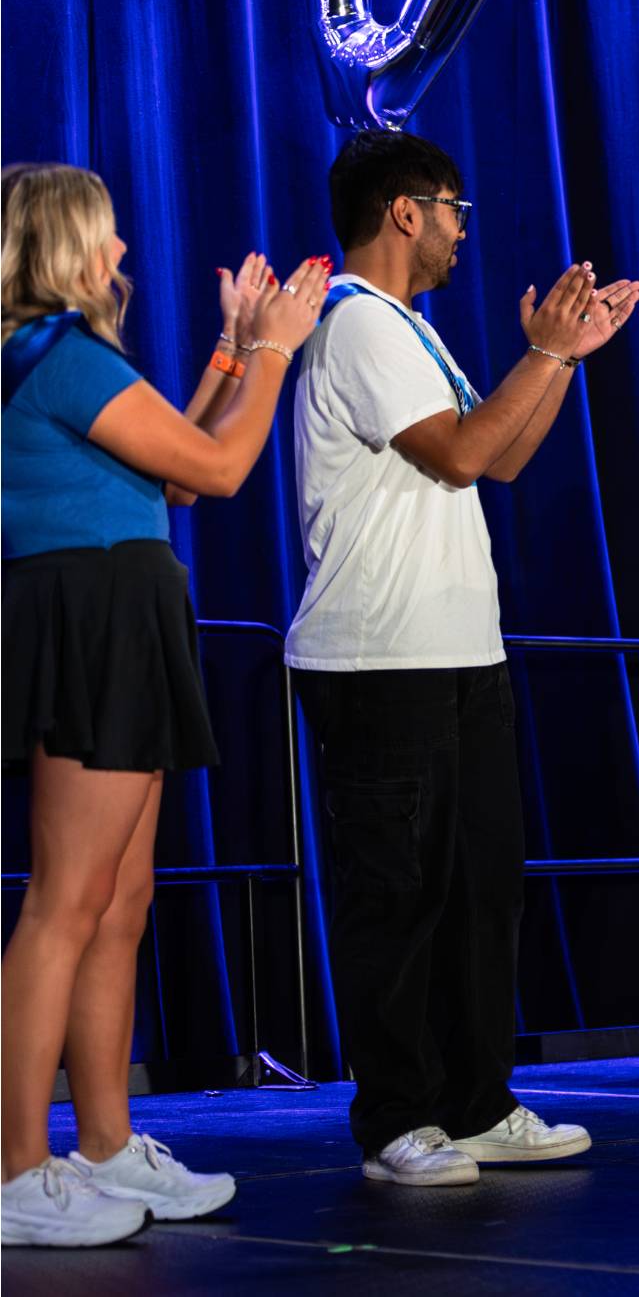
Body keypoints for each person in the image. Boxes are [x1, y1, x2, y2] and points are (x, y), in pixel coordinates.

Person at [285, 129, 639, 1186]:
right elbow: (461, 451)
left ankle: (478, 1102)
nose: (460, 232)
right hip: (376, 659)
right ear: (407, 211)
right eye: (454, 210)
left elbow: (505, 456)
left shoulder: (410, 328)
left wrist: (562, 359)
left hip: (459, 653)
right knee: (394, 894)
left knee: (483, 889)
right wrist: (544, 353)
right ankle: (397, 1118)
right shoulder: (358, 320)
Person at [2, 162, 322, 1245]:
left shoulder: (62, 358)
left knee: (120, 900)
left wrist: (232, 349)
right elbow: (223, 472)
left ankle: (104, 1145)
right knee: (65, 901)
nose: (123, 253)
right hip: (92, 614)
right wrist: (275, 349)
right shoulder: (57, 354)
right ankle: (14, 1169)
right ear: (65, 247)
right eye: (107, 236)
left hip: (122, 610)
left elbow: (175, 476)